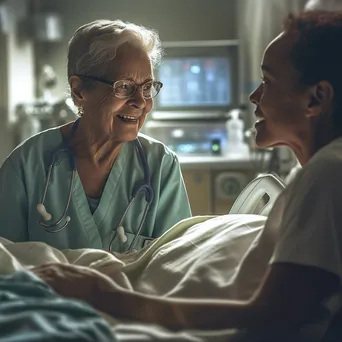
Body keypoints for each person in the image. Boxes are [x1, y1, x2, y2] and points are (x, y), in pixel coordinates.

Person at [31, 10, 342, 339]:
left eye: (268, 82)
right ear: (79, 92)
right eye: (125, 87)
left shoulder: (327, 172)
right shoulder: (323, 171)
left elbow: (270, 316)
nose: (254, 96)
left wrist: (103, 296)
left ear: (316, 98)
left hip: (144, 287)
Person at [0, 19, 192, 252]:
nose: (141, 102)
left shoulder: (161, 166)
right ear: (79, 91)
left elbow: (176, 263)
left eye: (147, 87)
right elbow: (6, 269)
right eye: (124, 87)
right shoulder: (26, 165)